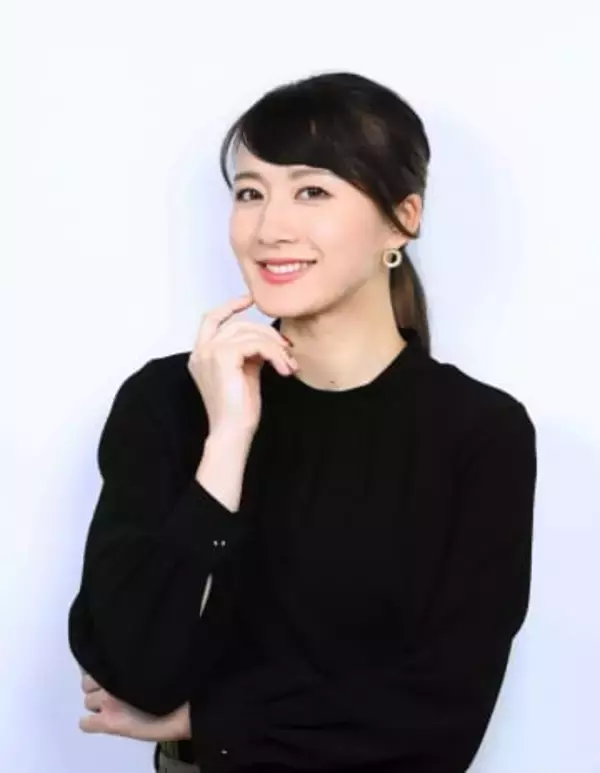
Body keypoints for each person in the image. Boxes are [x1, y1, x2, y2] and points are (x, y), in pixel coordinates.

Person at [68, 71, 537, 773]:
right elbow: (132, 669)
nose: (269, 229)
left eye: (312, 191)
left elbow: (444, 717)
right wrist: (227, 440)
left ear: (403, 218)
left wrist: (210, 718)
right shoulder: (169, 399)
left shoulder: (479, 433)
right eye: (249, 192)